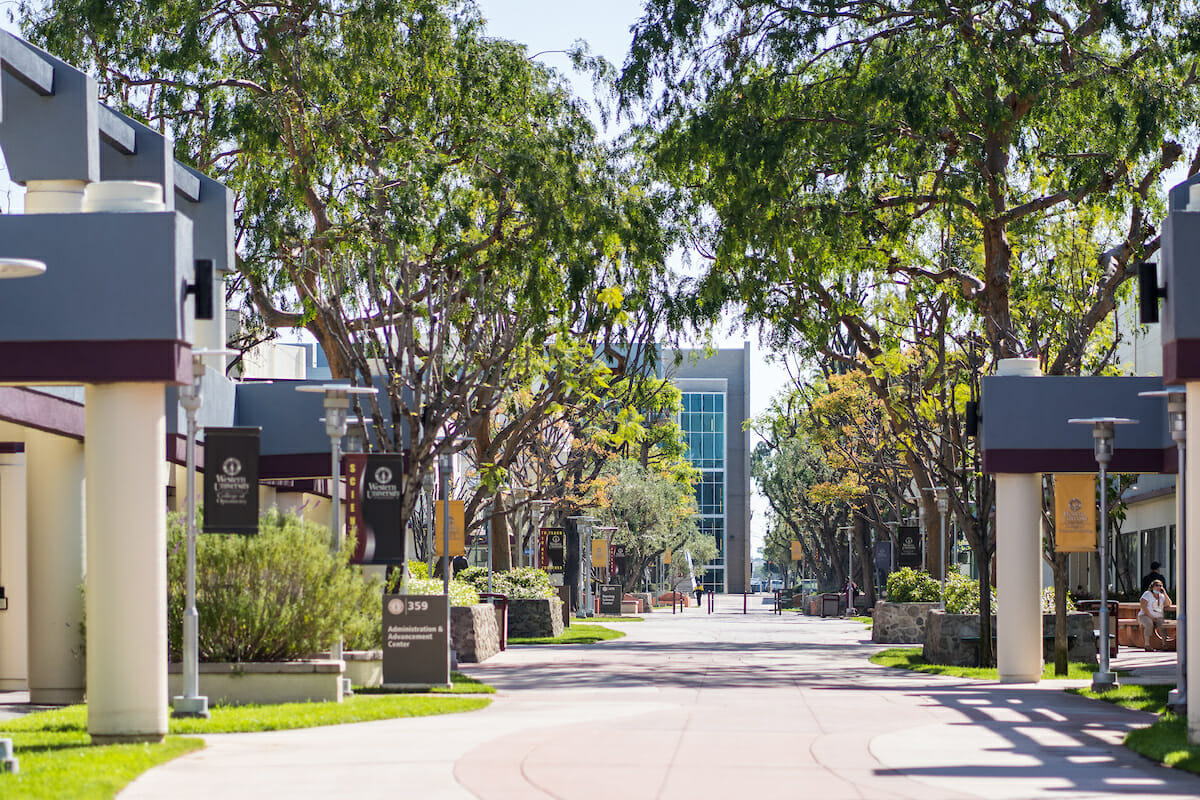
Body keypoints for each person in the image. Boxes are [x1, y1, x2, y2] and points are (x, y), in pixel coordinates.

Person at [1138, 579, 1174, 652]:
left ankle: (1164, 644)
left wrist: (1165, 593)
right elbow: (1143, 606)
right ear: (1152, 587)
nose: (1158, 587)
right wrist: (1151, 616)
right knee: (1149, 623)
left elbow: (1168, 604)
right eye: (1156, 585)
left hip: (1158, 616)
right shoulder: (1147, 594)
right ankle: (1147, 645)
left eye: (1160, 585)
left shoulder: (1161, 596)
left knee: (1162, 624)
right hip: (1145, 615)